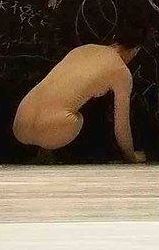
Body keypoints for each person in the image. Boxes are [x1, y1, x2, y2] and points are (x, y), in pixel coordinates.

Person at [13, 43, 147, 162]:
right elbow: (121, 127)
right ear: (134, 51)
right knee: (80, 118)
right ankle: (51, 152)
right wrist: (131, 156)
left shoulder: (83, 49)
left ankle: (43, 152)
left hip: (21, 122)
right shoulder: (121, 71)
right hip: (54, 130)